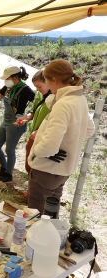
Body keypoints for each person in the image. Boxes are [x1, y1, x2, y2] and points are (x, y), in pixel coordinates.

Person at [27, 59, 95, 214]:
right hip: (62, 170)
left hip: (46, 170)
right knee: (51, 213)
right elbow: (89, 130)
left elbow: (49, 147)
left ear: (54, 80)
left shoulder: (63, 104)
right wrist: (67, 144)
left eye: (46, 81)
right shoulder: (79, 99)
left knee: (36, 216)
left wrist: (39, 149)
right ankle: (51, 238)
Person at [0, 66, 35, 183]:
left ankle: (8, 175)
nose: (5, 80)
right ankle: (4, 169)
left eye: (7, 78)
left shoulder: (25, 89)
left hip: (16, 123)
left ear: (15, 77)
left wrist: (26, 117)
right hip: (6, 121)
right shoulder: (8, 88)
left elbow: (37, 106)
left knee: (10, 150)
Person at [15, 70, 52, 174]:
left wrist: (39, 132)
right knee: (29, 164)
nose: (37, 89)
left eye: (39, 86)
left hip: (43, 138)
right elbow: (34, 110)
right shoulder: (39, 95)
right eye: (36, 87)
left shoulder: (56, 99)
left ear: (48, 83)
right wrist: (26, 118)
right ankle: (31, 186)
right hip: (33, 136)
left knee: (37, 167)